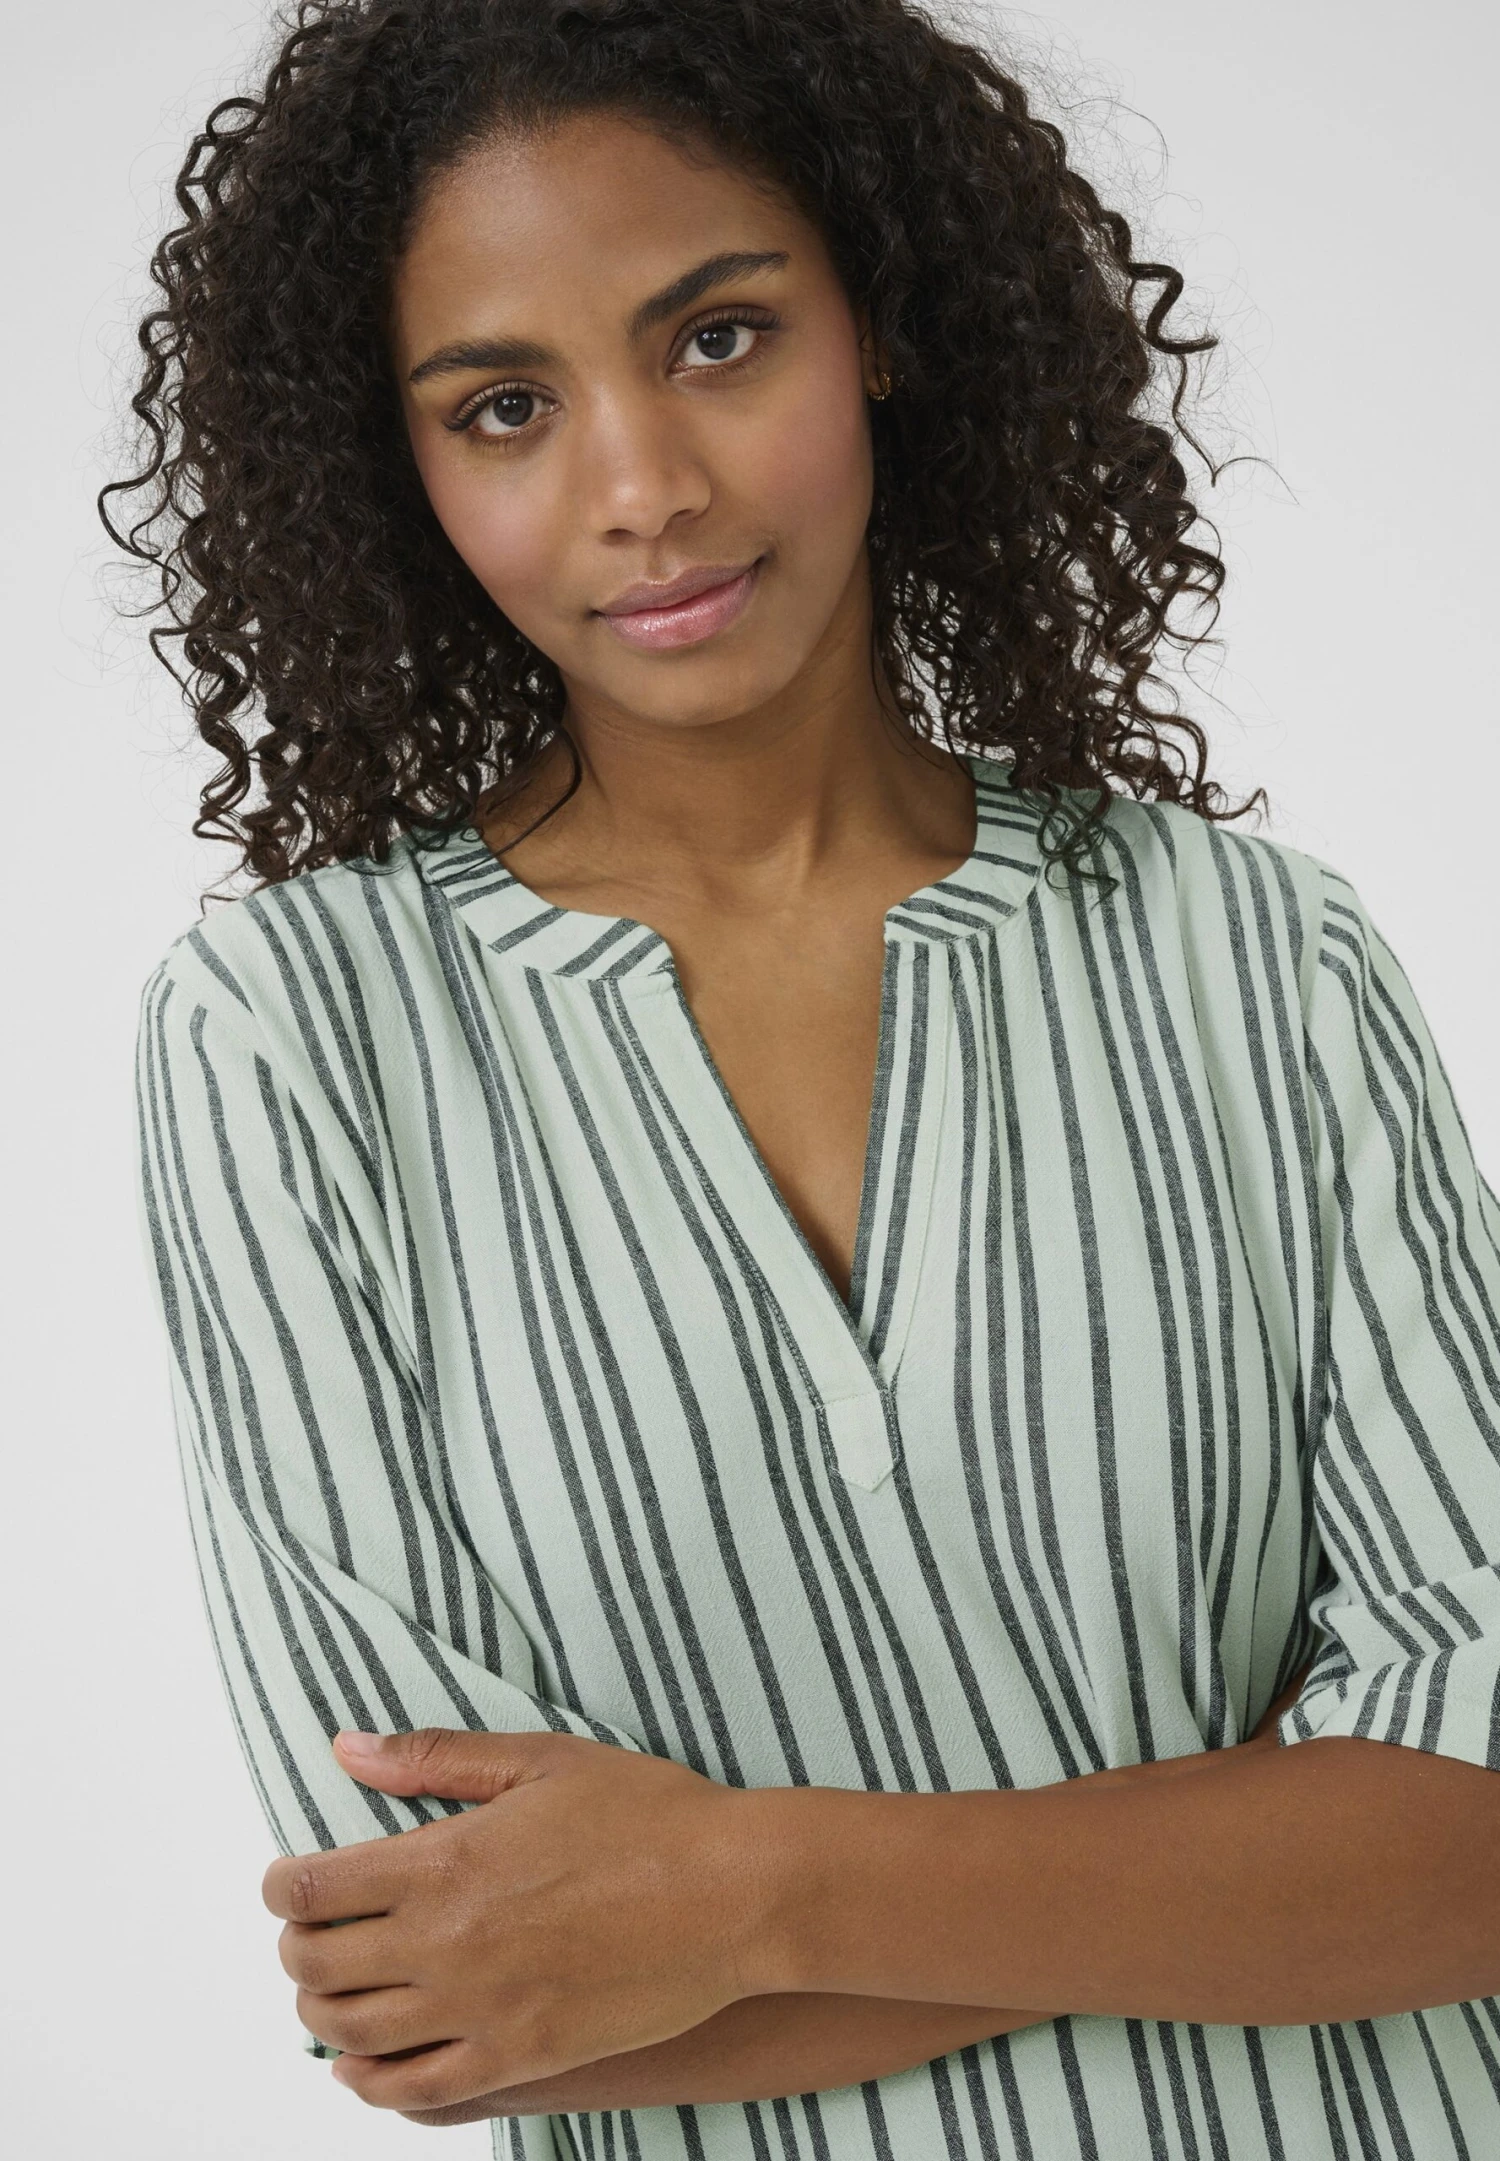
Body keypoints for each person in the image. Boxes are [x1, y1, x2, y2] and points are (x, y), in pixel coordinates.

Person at [109, 2, 1500, 2156]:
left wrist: (737, 1892)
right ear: (399, 471)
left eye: (720, 339)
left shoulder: (1258, 960)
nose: (644, 489)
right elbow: (444, 1986)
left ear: (886, 327)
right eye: (504, 406)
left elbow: (1475, 1846)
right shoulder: (294, 1039)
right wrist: (1265, 1866)